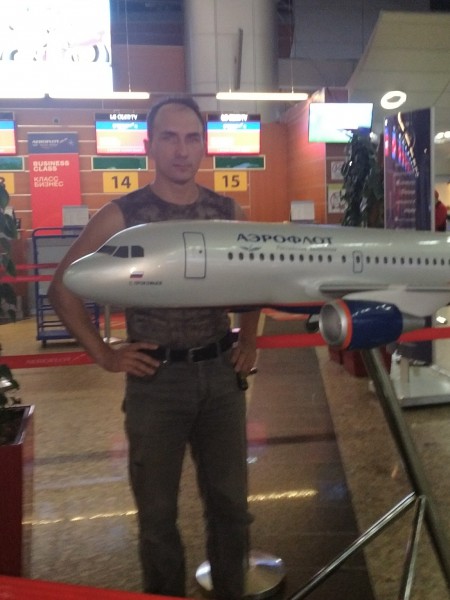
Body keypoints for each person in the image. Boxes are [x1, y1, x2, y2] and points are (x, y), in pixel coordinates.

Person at [48, 97, 260, 599]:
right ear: (150, 145)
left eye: (192, 138)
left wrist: (250, 334)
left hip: (220, 376)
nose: (182, 150)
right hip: (154, 382)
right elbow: (62, 288)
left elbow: (258, 277)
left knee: (231, 509)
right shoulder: (124, 216)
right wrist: (104, 353)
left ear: (204, 147)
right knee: (157, 517)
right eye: (169, 137)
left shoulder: (227, 212)